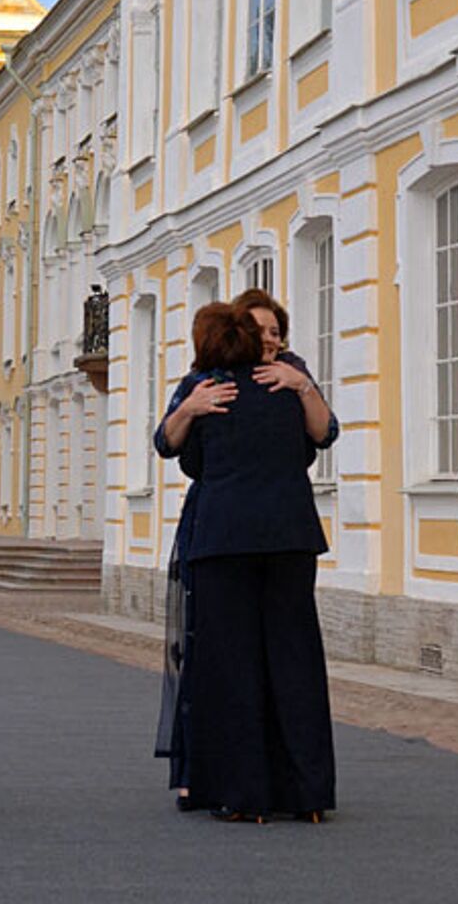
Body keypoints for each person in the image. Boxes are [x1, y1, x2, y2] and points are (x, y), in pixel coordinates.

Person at [154, 293, 338, 822]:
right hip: (289, 534)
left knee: (231, 667)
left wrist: (192, 412)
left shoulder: (205, 388)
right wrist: (301, 389)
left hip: (223, 537)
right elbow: (318, 440)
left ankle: (243, 793)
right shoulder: (287, 386)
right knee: (295, 662)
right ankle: (307, 793)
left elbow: (184, 457)